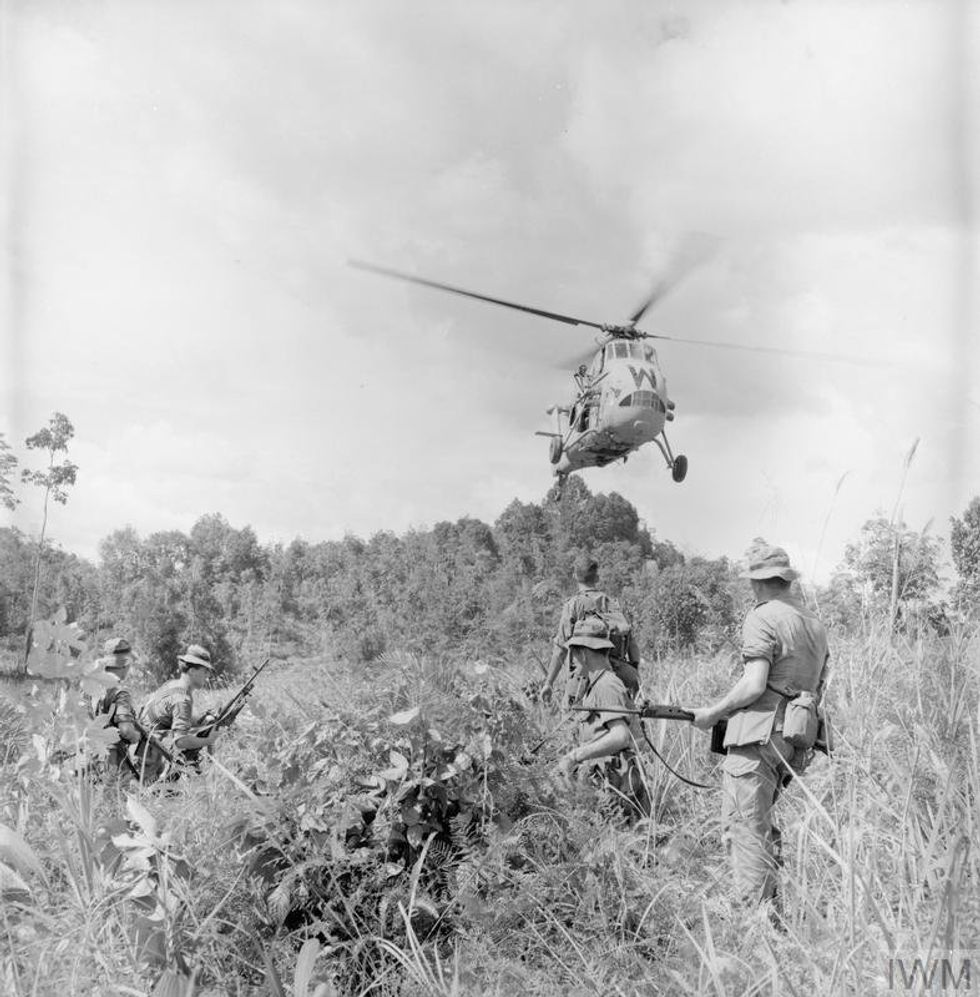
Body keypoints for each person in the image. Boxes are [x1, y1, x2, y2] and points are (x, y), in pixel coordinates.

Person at [692, 543, 829, 908]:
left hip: (758, 737)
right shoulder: (814, 624)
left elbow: (754, 684)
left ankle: (753, 925)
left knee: (746, 830)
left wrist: (713, 712)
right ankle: (771, 907)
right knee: (761, 824)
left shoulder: (762, 615)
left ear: (758, 582)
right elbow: (817, 687)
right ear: (785, 580)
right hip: (794, 739)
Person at [555, 618, 650, 819]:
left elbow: (620, 736)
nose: (572, 661)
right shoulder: (595, 685)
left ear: (584, 653)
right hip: (608, 786)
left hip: (618, 789)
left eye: (573, 654)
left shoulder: (607, 685)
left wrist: (575, 756)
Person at [541, 554, 642, 706]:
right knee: (633, 716)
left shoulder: (573, 605)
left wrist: (548, 683)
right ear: (597, 578)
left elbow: (560, 649)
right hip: (620, 672)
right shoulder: (613, 604)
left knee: (570, 721)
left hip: (584, 676)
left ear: (575, 576)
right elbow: (632, 643)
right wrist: (633, 670)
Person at [136, 643, 220, 783]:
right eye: (205, 671)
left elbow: (183, 716)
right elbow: (180, 741)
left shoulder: (174, 685)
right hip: (149, 758)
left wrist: (205, 720)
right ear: (192, 671)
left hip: (145, 748)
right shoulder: (182, 699)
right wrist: (209, 740)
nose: (208, 675)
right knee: (151, 796)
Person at [93, 637, 142, 783]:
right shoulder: (120, 692)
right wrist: (136, 736)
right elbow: (126, 730)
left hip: (89, 754)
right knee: (119, 799)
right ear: (125, 665)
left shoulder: (90, 687)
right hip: (112, 759)